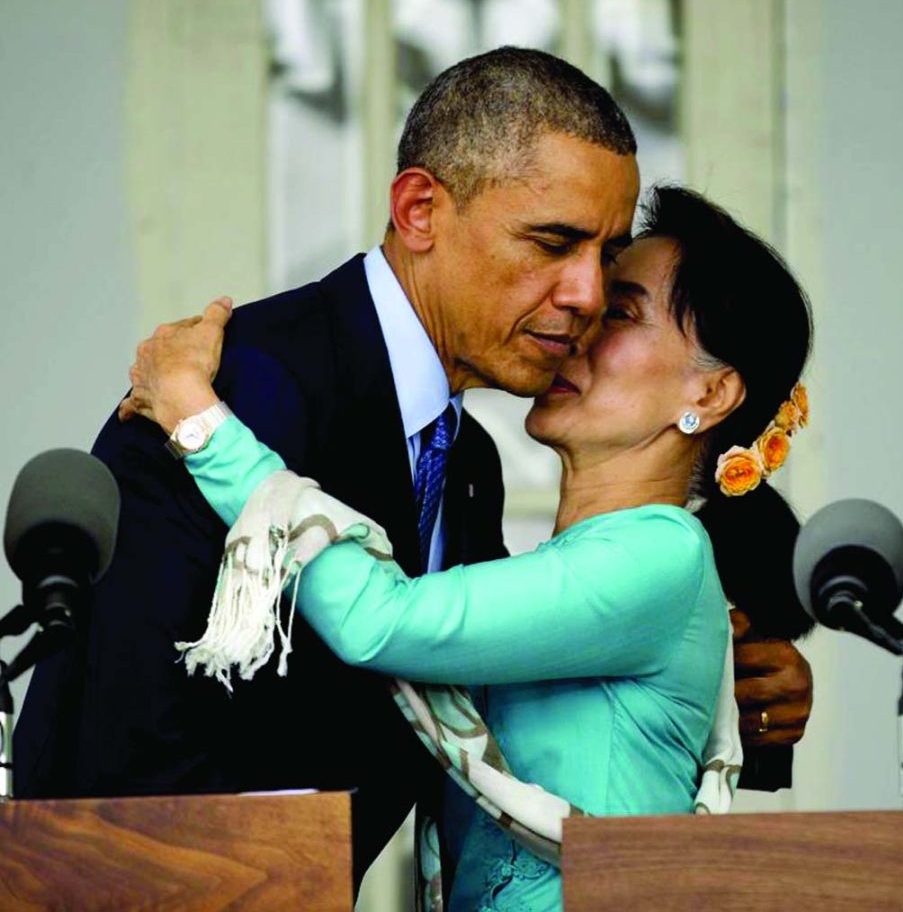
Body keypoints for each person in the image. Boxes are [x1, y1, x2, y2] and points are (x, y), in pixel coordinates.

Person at [14, 48, 810, 886]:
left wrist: (739, 702)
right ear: (420, 208)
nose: (581, 294)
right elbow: (123, 725)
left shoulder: (466, 462)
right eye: (553, 242)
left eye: (606, 262)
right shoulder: (235, 386)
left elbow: (480, 694)